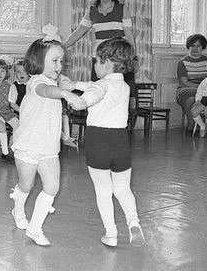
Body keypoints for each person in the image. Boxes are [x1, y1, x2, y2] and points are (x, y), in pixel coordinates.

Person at [62, 37, 145, 248]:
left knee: (103, 190)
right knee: (123, 188)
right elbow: (95, 85)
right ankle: (133, 221)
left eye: (96, 62)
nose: (95, 66)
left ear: (106, 62)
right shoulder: (124, 86)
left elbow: (93, 94)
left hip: (99, 140)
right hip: (120, 141)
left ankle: (111, 234)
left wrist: (74, 97)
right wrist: (74, 84)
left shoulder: (101, 86)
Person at [9, 25, 74, 246]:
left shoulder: (54, 82)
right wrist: (65, 92)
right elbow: (48, 92)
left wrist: (65, 136)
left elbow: (55, 115)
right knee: (26, 186)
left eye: (61, 61)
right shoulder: (36, 82)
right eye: (55, 61)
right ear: (39, 61)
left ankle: (35, 228)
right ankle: (18, 207)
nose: (60, 66)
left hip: (49, 149)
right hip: (28, 146)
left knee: (52, 187)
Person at [62, 0, 135, 82]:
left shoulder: (122, 9)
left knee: (120, 92)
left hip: (119, 58)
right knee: (97, 91)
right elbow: (78, 32)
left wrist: (133, 56)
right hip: (100, 59)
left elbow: (129, 35)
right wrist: (62, 46)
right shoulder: (92, 11)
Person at [176, 34, 207, 129]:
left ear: (203, 47)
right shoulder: (182, 62)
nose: (195, 48)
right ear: (188, 47)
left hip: (204, 91)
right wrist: (201, 89)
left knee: (191, 100)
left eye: (198, 46)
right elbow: (184, 83)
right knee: (190, 96)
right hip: (186, 89)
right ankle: (191, 123)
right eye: (192, 46)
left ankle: (194, 124)